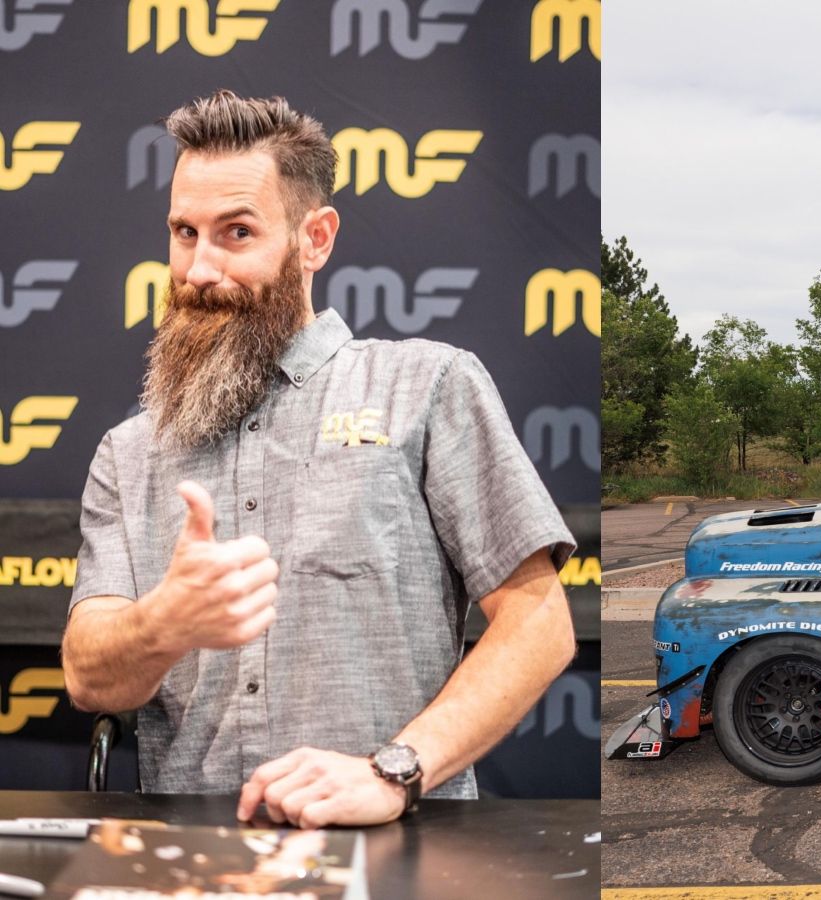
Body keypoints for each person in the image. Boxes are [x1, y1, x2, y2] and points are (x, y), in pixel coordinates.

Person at [59, 91, 577, 829]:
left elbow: (540, 625)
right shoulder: (131, 450)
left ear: (315, 239)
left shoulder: (428, 386)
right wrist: (164, 622)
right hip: (197, 857)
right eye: (183, 232)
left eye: (237, 232)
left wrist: (394, 770)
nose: (200, 268)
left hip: (397, 844)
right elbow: (87, 677)